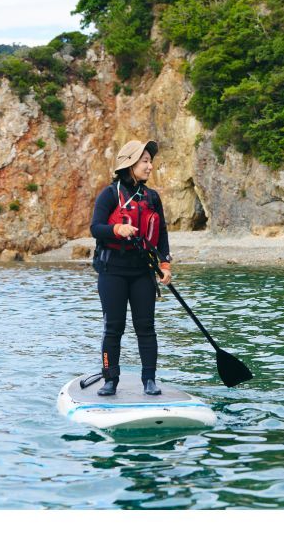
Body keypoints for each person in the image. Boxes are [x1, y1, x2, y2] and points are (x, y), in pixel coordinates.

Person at [90, 139, 172, 396]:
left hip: (142, 271)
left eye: (150, 161)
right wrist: (117, 229)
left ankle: (149, 379)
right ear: (130, 164)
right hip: (112, 270)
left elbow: (162, 235)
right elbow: (96, 228)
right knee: (114, 327)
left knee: (145, 327)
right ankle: (110, 380)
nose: (150, 166)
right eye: (145, 161)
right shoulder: (110, 194)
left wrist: (165, 264)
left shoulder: (152, 197)